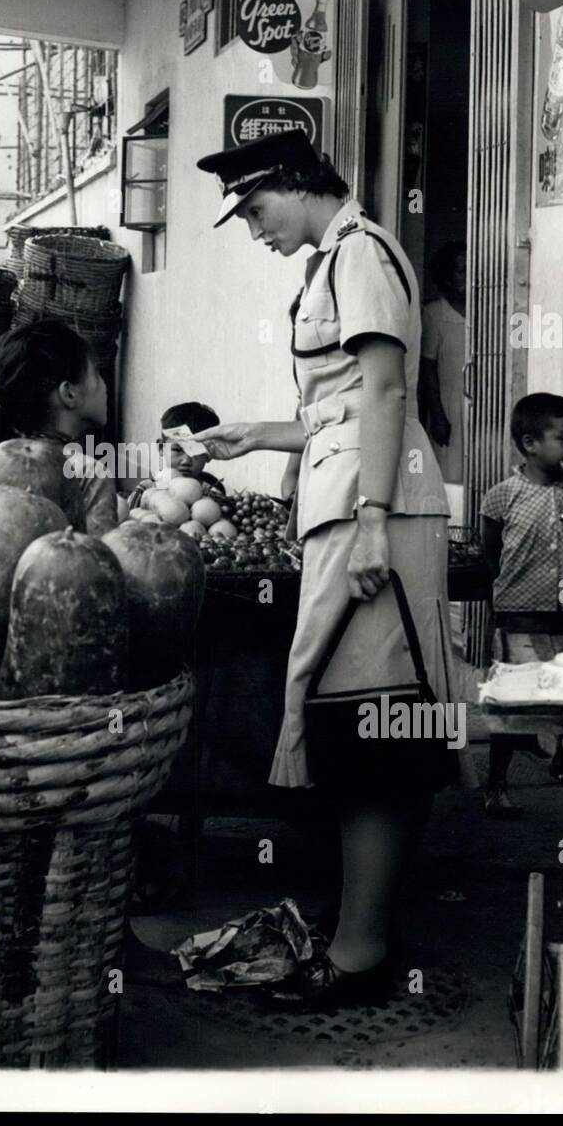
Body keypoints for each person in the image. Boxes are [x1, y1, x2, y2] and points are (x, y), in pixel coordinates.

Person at [195, 130, 460, 1010]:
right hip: (351, 508)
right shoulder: (332, 263)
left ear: (298, 183)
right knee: (368, 725)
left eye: (256, 209)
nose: (253, 229)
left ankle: (360, 954)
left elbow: (387, 393)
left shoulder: (361, 253)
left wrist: (379, 521)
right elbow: (343, 408)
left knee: (373, 726)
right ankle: (368, 928)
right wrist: (257, 433)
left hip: (372, 517)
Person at [479, 393, 563, 813]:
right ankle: (496, 783)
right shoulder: (501, 496)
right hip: (518, 610)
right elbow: (490, 555)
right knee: (513, 697)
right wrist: (508, 592)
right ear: (531, 444)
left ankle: (559, 762)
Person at [0, 318, 118, 535]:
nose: (104, 386)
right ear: (69, 394)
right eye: (97, 374)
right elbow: (100, 560)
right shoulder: (88, 472)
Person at [419, 241, 467, 486]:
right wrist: (437, 415)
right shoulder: (435, 313)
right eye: (461, 271)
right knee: (451, 475)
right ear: (447, 277)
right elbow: (427, 369)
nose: (468, 276)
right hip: (450, 406)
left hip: (482, 406)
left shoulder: (485, 311)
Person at [127, 401, 227, 507]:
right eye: (178, 450)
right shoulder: (146, 490)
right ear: (161, 447)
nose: (186, 461)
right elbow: (127, 520)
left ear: (210, 453)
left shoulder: (213, 490)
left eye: (196, 451)